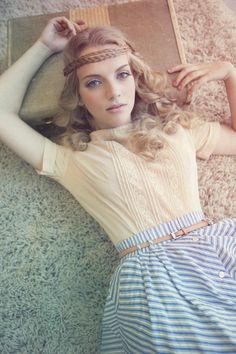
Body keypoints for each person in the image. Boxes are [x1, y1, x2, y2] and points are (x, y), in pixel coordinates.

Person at [0, 16, 236, 353]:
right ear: (79, 95)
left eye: (122, 75)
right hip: (155, 284)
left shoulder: (177, 131)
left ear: (135, 77)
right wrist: (43, 47)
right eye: (94, 83)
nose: (113, 92)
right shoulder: (72, 160)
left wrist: (229, 71)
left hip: (219, 253)